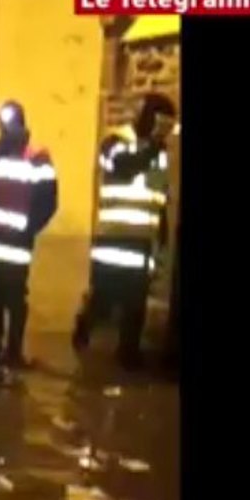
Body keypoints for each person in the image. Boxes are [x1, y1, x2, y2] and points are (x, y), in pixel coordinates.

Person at [72, 94, 178, 370]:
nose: (164, 131)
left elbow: (159, 196)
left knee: (136, 302)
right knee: (104, 299)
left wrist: (161, 238)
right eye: (161, 124)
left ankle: (128, 354)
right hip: (113, 239)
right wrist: (154, 145)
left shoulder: (158, 154)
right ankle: (84, 325)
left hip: (142, 242)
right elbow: (124, 167)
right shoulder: (115, 142)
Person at [0, 101, 58, 369]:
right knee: (10, 301)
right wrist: (28, 229)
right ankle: (7, 353)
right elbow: (48, 202)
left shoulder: (7, 158)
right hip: (10, 244)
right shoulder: (34, 160)